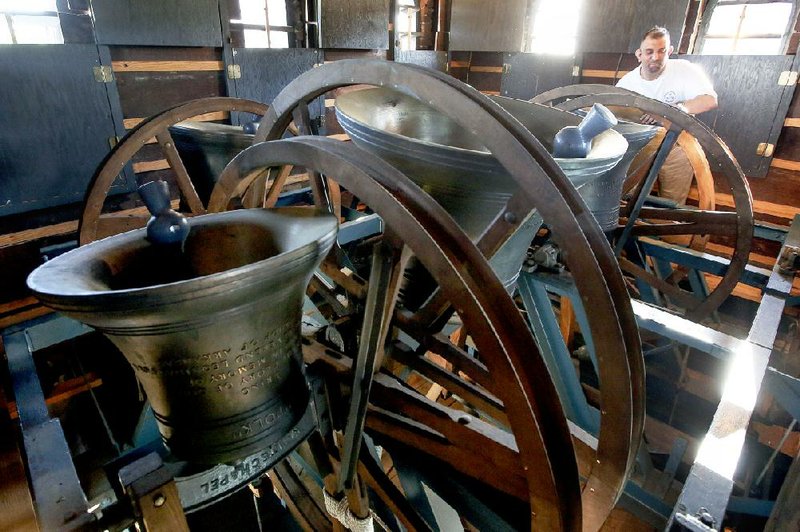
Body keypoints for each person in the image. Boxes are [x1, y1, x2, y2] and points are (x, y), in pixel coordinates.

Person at [616, 26, 718, 205]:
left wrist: (670, 111)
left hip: (678, 145)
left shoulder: (685, 70)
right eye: (649, 52)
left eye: (661, 51)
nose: (655, 57)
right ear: (639, 54)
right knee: (628, 196)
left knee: (672, 202)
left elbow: (709, 100)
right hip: (640, 145)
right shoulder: (627, 83)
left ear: (669, 51)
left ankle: (667, 231)